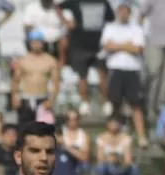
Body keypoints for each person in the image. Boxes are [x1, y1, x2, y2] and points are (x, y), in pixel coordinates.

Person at [100, 1, 148, 145]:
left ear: (130, 12)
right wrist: (126, 45)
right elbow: (107, 46)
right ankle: (115, 133)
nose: (123, 13)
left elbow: (138, 49)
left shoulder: (137, 29)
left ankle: (141, 136)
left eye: (126, 10)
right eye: (121, 10)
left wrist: (117, 45)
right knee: (115, 102)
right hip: (115, 69)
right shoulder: (110, 27)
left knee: (135, 104)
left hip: (132, 70)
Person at [61, 0, 114, 117]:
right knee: (82, 76)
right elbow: (58, 7)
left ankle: (106, 102)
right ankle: (84, 102)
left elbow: (111, 19)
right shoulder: (75, 2)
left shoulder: (104, 2)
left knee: (102, 74)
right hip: (79, 45)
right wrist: (65, 21)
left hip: (99, 46)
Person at [12, 30, 59, 126]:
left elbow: (56, 82)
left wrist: (51, 100)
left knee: (43, 130)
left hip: (42, 99)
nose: (36, 44)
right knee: (25, 129)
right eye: (34, 42)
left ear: (43, 43)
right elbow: (15, 81)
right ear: (30, 43)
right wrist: (14, 97)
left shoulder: (50, 61)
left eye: (39, 41)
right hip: (26, 98)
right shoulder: (23, 60)